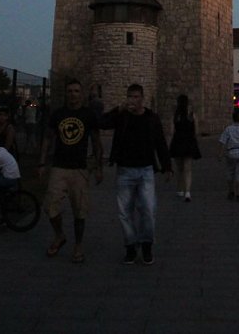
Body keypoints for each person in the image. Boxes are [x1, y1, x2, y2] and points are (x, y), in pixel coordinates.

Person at [102, 83, 172, 265]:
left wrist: (167, 166)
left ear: (142, 98)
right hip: (124, 170)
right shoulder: (121, 116)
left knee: (148, 210)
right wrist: (118, 109)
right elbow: (102, 123)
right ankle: (131, 246)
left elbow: (160, 142)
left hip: (146, 170)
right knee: (124, 213)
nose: (132, 100)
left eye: (135, 97)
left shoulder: (151, 118)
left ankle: (146, 244)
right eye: (130, 97)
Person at [38, 79, 103, 264]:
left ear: (81, 94)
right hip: (59, 167)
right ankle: (59, 235)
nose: (73, 94)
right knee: (50, 206)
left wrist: (98, 168)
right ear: (66, 94)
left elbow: (97, 143)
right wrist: (42, 163)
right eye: (70, 91)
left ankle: (78, 246)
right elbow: (48, 139)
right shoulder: (58, 114)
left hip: (79, 169)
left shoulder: (88, 115)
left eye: (76, 91)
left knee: (80, 211)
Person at [169, 94, 201, 201]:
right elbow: (196, 131)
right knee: (188, 169)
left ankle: (180, 189)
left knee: (180, 169)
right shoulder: (192, 115)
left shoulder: (175, 115)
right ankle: (187, 192)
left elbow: (172, 131)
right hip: (189, 142)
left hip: (178, 142)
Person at [218, 108, 239, 201]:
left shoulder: (228, 129)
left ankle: (231, 191)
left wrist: (220, 154)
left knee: (230, 172)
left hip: (231, 152)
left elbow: (222, 141)